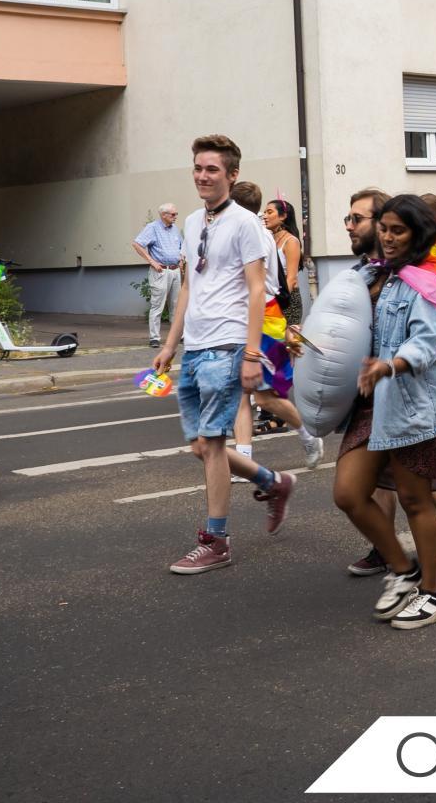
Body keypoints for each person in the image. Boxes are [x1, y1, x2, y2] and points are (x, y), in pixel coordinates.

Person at [147, 137, 295, 573]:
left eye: (212, 169)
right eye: (197, 167)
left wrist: (252, 353)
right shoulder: (192, 223)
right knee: (199, 446)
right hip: (195, 345)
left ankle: (217, 540)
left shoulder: (247, 224)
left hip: (229, 344)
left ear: (231, 175)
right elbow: (190, 286)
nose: (202, 176)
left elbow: (256, 289)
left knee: (212, 442)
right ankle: (273, 482)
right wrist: (170, 345)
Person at [330, 194, 436, 629]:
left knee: (414, 499)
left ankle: (432, 594)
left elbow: (426, 344)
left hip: (410, 402)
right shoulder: (368, 276)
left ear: (417, 235)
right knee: (348, 494)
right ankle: (403, 571)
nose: (388, 238)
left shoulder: (424, 283)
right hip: (371, 405)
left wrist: (389, 365)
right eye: (384, 228)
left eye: (398, 230)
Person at [229, 182, 323, 470]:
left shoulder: (262, 237)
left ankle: (307, 437)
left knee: (266, 396)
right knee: (239, 393)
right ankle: (245, 463)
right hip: (237, 318)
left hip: (268, 316)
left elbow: (281, 282)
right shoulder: (229, 231)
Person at [132, 203, 183, 348]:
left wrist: (181, 260)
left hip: (175, 271)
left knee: (176, 305)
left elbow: (181, 247)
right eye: (173, 214)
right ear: (163, 215)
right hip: (160, 271)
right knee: (157, 305)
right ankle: (154, 337)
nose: (175, 217)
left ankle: (177, 335)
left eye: (176, 214)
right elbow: (137, 244)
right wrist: (152, 261)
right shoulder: (153, 228)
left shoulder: (175, 230)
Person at [263, 197, 304, 327]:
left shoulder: (291, 241)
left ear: (283, 216)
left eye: (269, 212)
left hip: (287, 298)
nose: (264, 216)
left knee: (289, 343)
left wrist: (279, 303)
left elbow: (291, 278)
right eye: (264, 212)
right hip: (272, 297)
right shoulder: (269, 239)